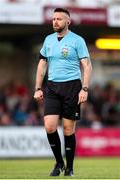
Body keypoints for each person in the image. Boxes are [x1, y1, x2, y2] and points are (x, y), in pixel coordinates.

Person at [34, 8, 92, 176]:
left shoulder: (77, 40)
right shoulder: (48, 40)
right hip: (52, 86)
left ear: (68, 21)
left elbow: (87, 66)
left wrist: (85, 88)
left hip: (72, 87)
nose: (55, 22)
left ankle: (70, 168)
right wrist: (38, 88)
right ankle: (59, 163)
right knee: (50, 126)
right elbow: (42, 64)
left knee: (68, 129)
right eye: (53, 19)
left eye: (59, 19)